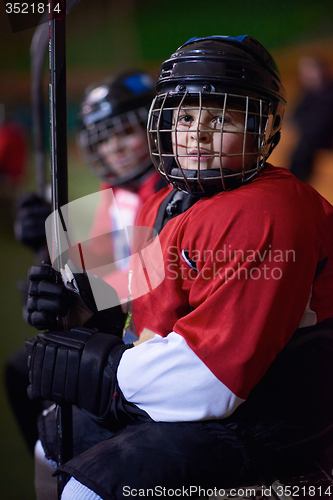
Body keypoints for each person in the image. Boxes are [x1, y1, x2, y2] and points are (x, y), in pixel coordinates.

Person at [25, 36, 333, 500]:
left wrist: (103, 370)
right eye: (185, 117)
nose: (197, 134)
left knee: (87, 492)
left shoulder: (267, 211)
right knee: (50, 448)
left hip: (270, 417)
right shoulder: (165, 202)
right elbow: (151, 312)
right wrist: (84, 313)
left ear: (261, 127)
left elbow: (212, 381)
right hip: (200, 398)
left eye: (221, 118)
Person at [5, 69, 161, 456]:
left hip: (148, 341)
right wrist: (48, 239)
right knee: (22, 370)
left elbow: (139, 287)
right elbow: (98, 283)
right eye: (104, 138)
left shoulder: (168, 194)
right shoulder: (112, 195)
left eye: (124, 132)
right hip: (119, 329)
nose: (115, 148)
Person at [288, 55, 333, 182]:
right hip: (312, 139)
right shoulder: (309, 93)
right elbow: (297, 114)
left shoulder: (329, 92)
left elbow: (322, 121)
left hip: (325, 137)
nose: (305, 75)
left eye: (309, 70)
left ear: (320, 70)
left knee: (304, 145)